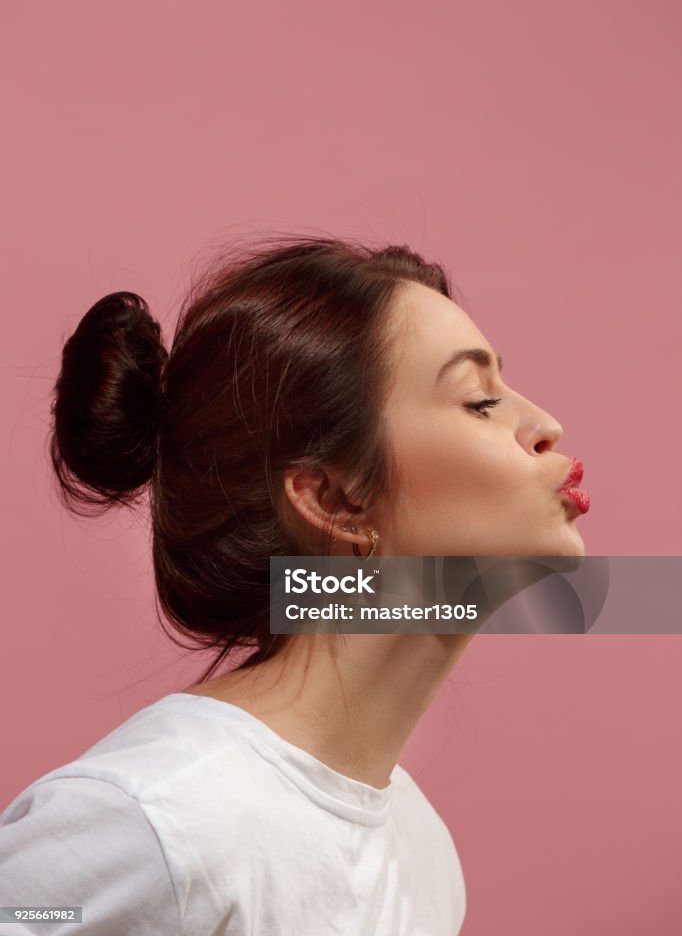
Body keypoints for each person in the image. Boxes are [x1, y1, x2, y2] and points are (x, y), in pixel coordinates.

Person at [0, 233, 588, 934]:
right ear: (334, 498)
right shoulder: (151, 820)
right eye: (480, 401)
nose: (546, 426)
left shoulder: (423, 852)